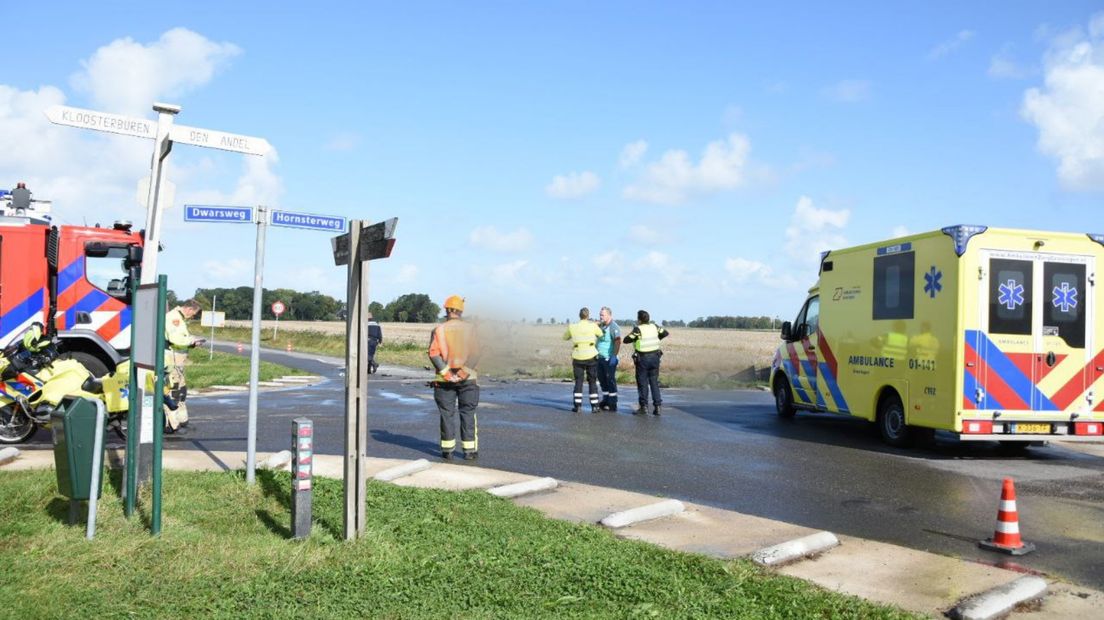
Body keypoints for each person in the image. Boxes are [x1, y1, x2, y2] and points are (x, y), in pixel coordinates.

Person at [428, 295, 481, 461]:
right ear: (461, 310)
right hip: (468, 380)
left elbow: (433, 354)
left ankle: (448, 451)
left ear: (447, 310)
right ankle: (469, 452)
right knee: (468, 413)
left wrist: (447, 373)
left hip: (445, 381)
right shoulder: (471, 329)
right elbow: (476, 353)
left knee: (446, 414)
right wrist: (462, 373)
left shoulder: (439, 330)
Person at [164, 299, 205, 432]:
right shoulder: (174, 318)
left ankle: (181, 421)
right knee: (174, 389)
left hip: (178, 358)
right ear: (189, 309)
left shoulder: (179, 318)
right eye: (193, 314)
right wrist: (192, 341)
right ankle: (171, 424)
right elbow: (175, 339)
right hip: (174, 357)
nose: (192, 316)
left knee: (181, 389)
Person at [622, 309, 669, 416]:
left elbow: (626, 340)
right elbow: (665, 333)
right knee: (654, 382)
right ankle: (657, 407)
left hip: (643, 359)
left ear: (639, 320)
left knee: (642, 383)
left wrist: (635, 339)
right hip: (655, 358)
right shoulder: (655, 327)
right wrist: (657, 339)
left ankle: (643, 408)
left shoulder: (638, 329)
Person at [563, 307, 604, 412]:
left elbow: (565, 337)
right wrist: (596, 326)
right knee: (592, 381)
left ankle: (577, 406)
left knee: (578, 381)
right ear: (588, 316)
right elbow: (601, 335)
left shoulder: (572, 326)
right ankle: (595, 406)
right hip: (591, 356)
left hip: (578, 356)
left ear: (579, 316)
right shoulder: (593, 326)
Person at [596, 306, 621, 411]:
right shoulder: (601, 326)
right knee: (602, 380)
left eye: (603, 315)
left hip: (609, 359)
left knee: (610, 380)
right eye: (600, 314)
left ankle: (613, 402)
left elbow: (618, 341)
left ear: (609, 315)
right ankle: (605, 399)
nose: (601, 316)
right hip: (599, 358)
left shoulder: (613, 326)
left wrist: (614, 356)